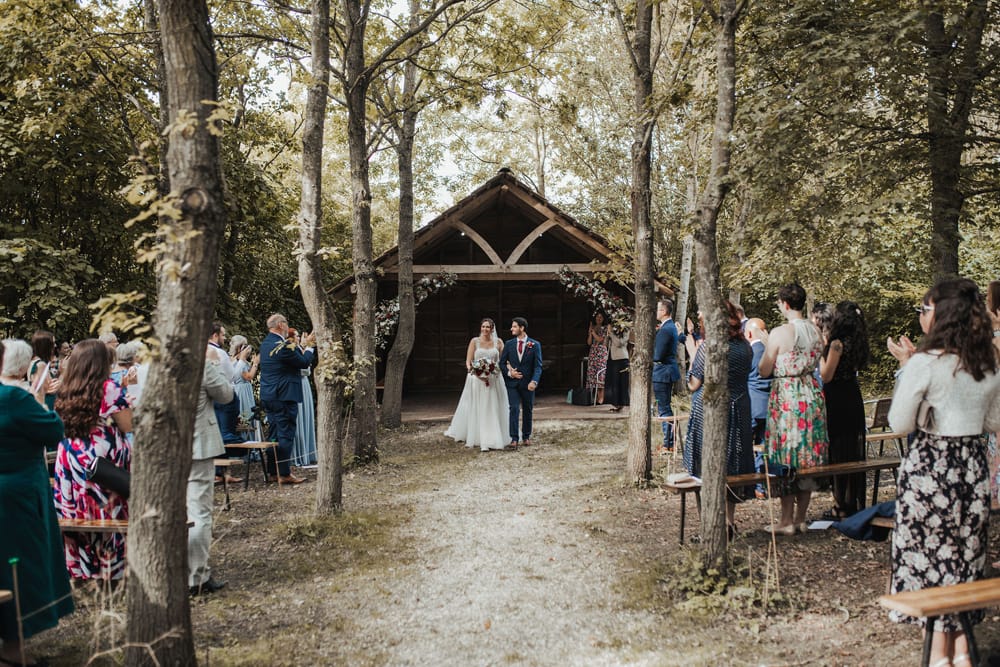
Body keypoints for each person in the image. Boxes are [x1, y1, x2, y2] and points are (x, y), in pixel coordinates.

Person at [886, 278, 1000, 667]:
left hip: (931, 468)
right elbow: (995, 421)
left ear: (942, 315)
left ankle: (937, 656)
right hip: (971, 468)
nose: (922, 315)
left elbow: (898, 423)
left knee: (931, 561)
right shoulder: (986, 363)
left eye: (925, 308)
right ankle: (962, 652)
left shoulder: (924, 363)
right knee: (964, 559)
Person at [0, 342, 74, 667]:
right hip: (18, 494)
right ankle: (14, 647)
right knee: (18, 567)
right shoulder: (14, 398)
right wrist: (42, 400)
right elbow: (54, 431)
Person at [53, 339, 132, 581]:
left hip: (71, 457)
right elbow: (127, 424)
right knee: (107, 509)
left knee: (77, 510)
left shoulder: (66, 386)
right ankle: (108, 570)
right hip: (101, 460)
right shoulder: (108, 387)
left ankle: (80, 569)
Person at [759, 283, 829, 535]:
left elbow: (763, 370)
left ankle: (786, 519)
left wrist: (767, 346)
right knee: (807, 455)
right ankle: (800, 518)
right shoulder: (816, 331)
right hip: (811, 394)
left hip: (787, 396)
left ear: (785, 304)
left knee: (785, 455)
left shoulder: (780, 332)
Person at [682, 303, 754, 537]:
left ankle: (710, 527)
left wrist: (693, 351)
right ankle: (729, 523)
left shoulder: (710, 348)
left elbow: (694, 384)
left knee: (706, 465)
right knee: (732, 464)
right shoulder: (745, 347)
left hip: (711, 411)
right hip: (739, 408)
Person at [188, 355, 234, 596]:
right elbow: (226, 394)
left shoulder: (156, 362)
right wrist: (215, 366)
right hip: (197, 445)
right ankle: (197, 575)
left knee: (176, 511)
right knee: (199, 511)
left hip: (166, 447)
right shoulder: (200, 364)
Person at [820, 301, 870, 518]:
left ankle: (841, 503)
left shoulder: (837, 344)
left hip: (837, 397)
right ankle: (852, 499)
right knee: (852, 449)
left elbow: (826, 375)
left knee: (838, 450)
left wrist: (820, 355)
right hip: (853, 395)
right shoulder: (858, 342)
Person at [259, 314, 314, 484]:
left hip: (269, 395)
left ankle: (273, 471)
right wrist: (310, 346)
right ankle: (284, 473)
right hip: (283, 396)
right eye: (287, 323)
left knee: (274, 434)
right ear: (281, 325)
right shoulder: (281, 346)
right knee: (285, 434)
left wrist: (300, 345)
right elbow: (303, 362)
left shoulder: (265, 344)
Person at [445, 318, 510, 451]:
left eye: (488, 327)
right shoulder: (474, 341)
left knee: (494, 406)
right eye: (483, 327)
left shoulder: (499, 342)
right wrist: (476, 372)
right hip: (476, 379)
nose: (485, 329)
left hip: (494, 379)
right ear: (480, 328)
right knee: (478, 406)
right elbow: (469, 362)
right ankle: (477, 435)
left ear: (492, 329)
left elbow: (504, 361)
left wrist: (509, 369)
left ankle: (495, 434)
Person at [499, 317, 543, 448]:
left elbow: (538, 366)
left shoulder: (535, 345)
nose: (511, 329)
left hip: (528, 384)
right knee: (513, 409)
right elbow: (501, 363)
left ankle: (526, 436)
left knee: (528, 409)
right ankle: (514, 438)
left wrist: (534, 381)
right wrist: (509, 373)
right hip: (512, 383)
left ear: (522, 328)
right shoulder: (509, 344)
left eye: (514, 326)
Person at [653, 300, 681, 450]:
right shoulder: (670, 327)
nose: (656, 312)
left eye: (657, 310)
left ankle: (668, 443)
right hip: (667, 371)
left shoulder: (665, 329)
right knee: (665, 407)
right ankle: (670, 442)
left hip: (663, 372)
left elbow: (658, 355)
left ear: (663, 311)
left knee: (664, 409)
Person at [288, 329, 317, 466]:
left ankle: (308, 452)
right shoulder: (292, 351)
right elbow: (304, 369)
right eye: (297, 336)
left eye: (300, 336)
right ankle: (299, 454)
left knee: (307, 416)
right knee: (300, 416)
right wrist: (308, 347)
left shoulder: (298, 349)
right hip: (298, 384)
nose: (299, 338)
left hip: (304, 384)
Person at [229, 335, 259, 424]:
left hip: (241, 389)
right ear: (239, 347)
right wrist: (255, 364)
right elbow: (248, 376)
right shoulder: (239, 361)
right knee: (245, 414)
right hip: (242, 391)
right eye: (244, 346)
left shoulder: (233, 359)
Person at [29, 330, 59, 410]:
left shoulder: (33, 361)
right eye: (53, 343)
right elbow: (42, 390)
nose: (55, 346)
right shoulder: (40, 365)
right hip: (45, 405)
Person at [605, 326, 631, 412]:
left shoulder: (625, 330)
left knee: (623, 383)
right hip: (613, 358)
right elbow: (606, 344)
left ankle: (623, 404)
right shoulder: (612, 331)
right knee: (614, 383)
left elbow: (619, 343)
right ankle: (617, 404)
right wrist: (608, 335)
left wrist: (611, 334)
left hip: (622, 358)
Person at [586, 312, 609, 405]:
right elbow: (589, 342)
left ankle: (601, 397)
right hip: (593, 352)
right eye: (597, 317)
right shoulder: (593, 328)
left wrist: (593, 333)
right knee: (593, 373)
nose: (598, 318)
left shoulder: (605, 328)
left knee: (601, 374)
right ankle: (593, 397)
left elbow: (601, 340)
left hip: (601, 352)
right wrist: (590, 333)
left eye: (600, 317)